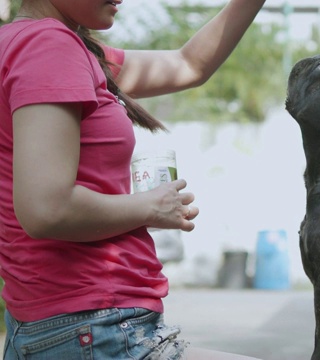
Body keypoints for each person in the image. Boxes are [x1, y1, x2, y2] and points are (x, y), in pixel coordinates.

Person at [0, 0, 265, 359]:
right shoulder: (48, 47)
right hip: (92, 326)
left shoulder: (33, 45)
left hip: (60, 325)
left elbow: (189, 64)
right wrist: (151, 207)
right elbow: (47, 208)